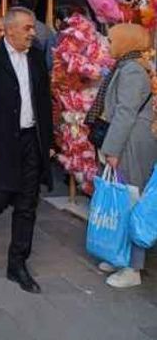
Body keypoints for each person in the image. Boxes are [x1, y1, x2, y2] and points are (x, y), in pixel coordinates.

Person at [0, 7, 53, 294]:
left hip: (31, 140)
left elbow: (43, 103)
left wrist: (48, 143)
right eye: (28, 28)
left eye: (33, 28)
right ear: (10, 29)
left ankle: (17, 264)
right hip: (0, 140)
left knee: (28, 203)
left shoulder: (38, 57)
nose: (33, 33)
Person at [92, 24, 157, 288]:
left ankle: (133, 267)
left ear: (127, 42)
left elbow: (125, 113)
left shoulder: (131, 71)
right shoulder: (127, 66)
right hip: (128, 139)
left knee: (130, 200)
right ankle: (120, 255)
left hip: (131, 142)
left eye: (111, 39)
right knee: (122, 199)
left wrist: (112, 150)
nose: (107, 44)